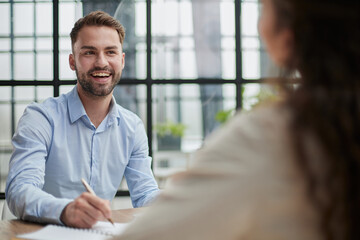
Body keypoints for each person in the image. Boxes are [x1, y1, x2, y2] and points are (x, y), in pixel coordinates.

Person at [113, 0, 360, 239]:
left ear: (288, 38)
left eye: (264, 9)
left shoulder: (269, 137)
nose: (259, 25)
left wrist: (191, 192)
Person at [5, 11, 159, 228]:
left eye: (111, 52)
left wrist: (178, 203)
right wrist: (65, 211)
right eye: (89, 52)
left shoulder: (132, 127)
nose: (101, 62)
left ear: (122, 61)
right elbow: (20, 190)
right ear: (72, 61)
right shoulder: (41, 118)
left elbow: (145, 193)